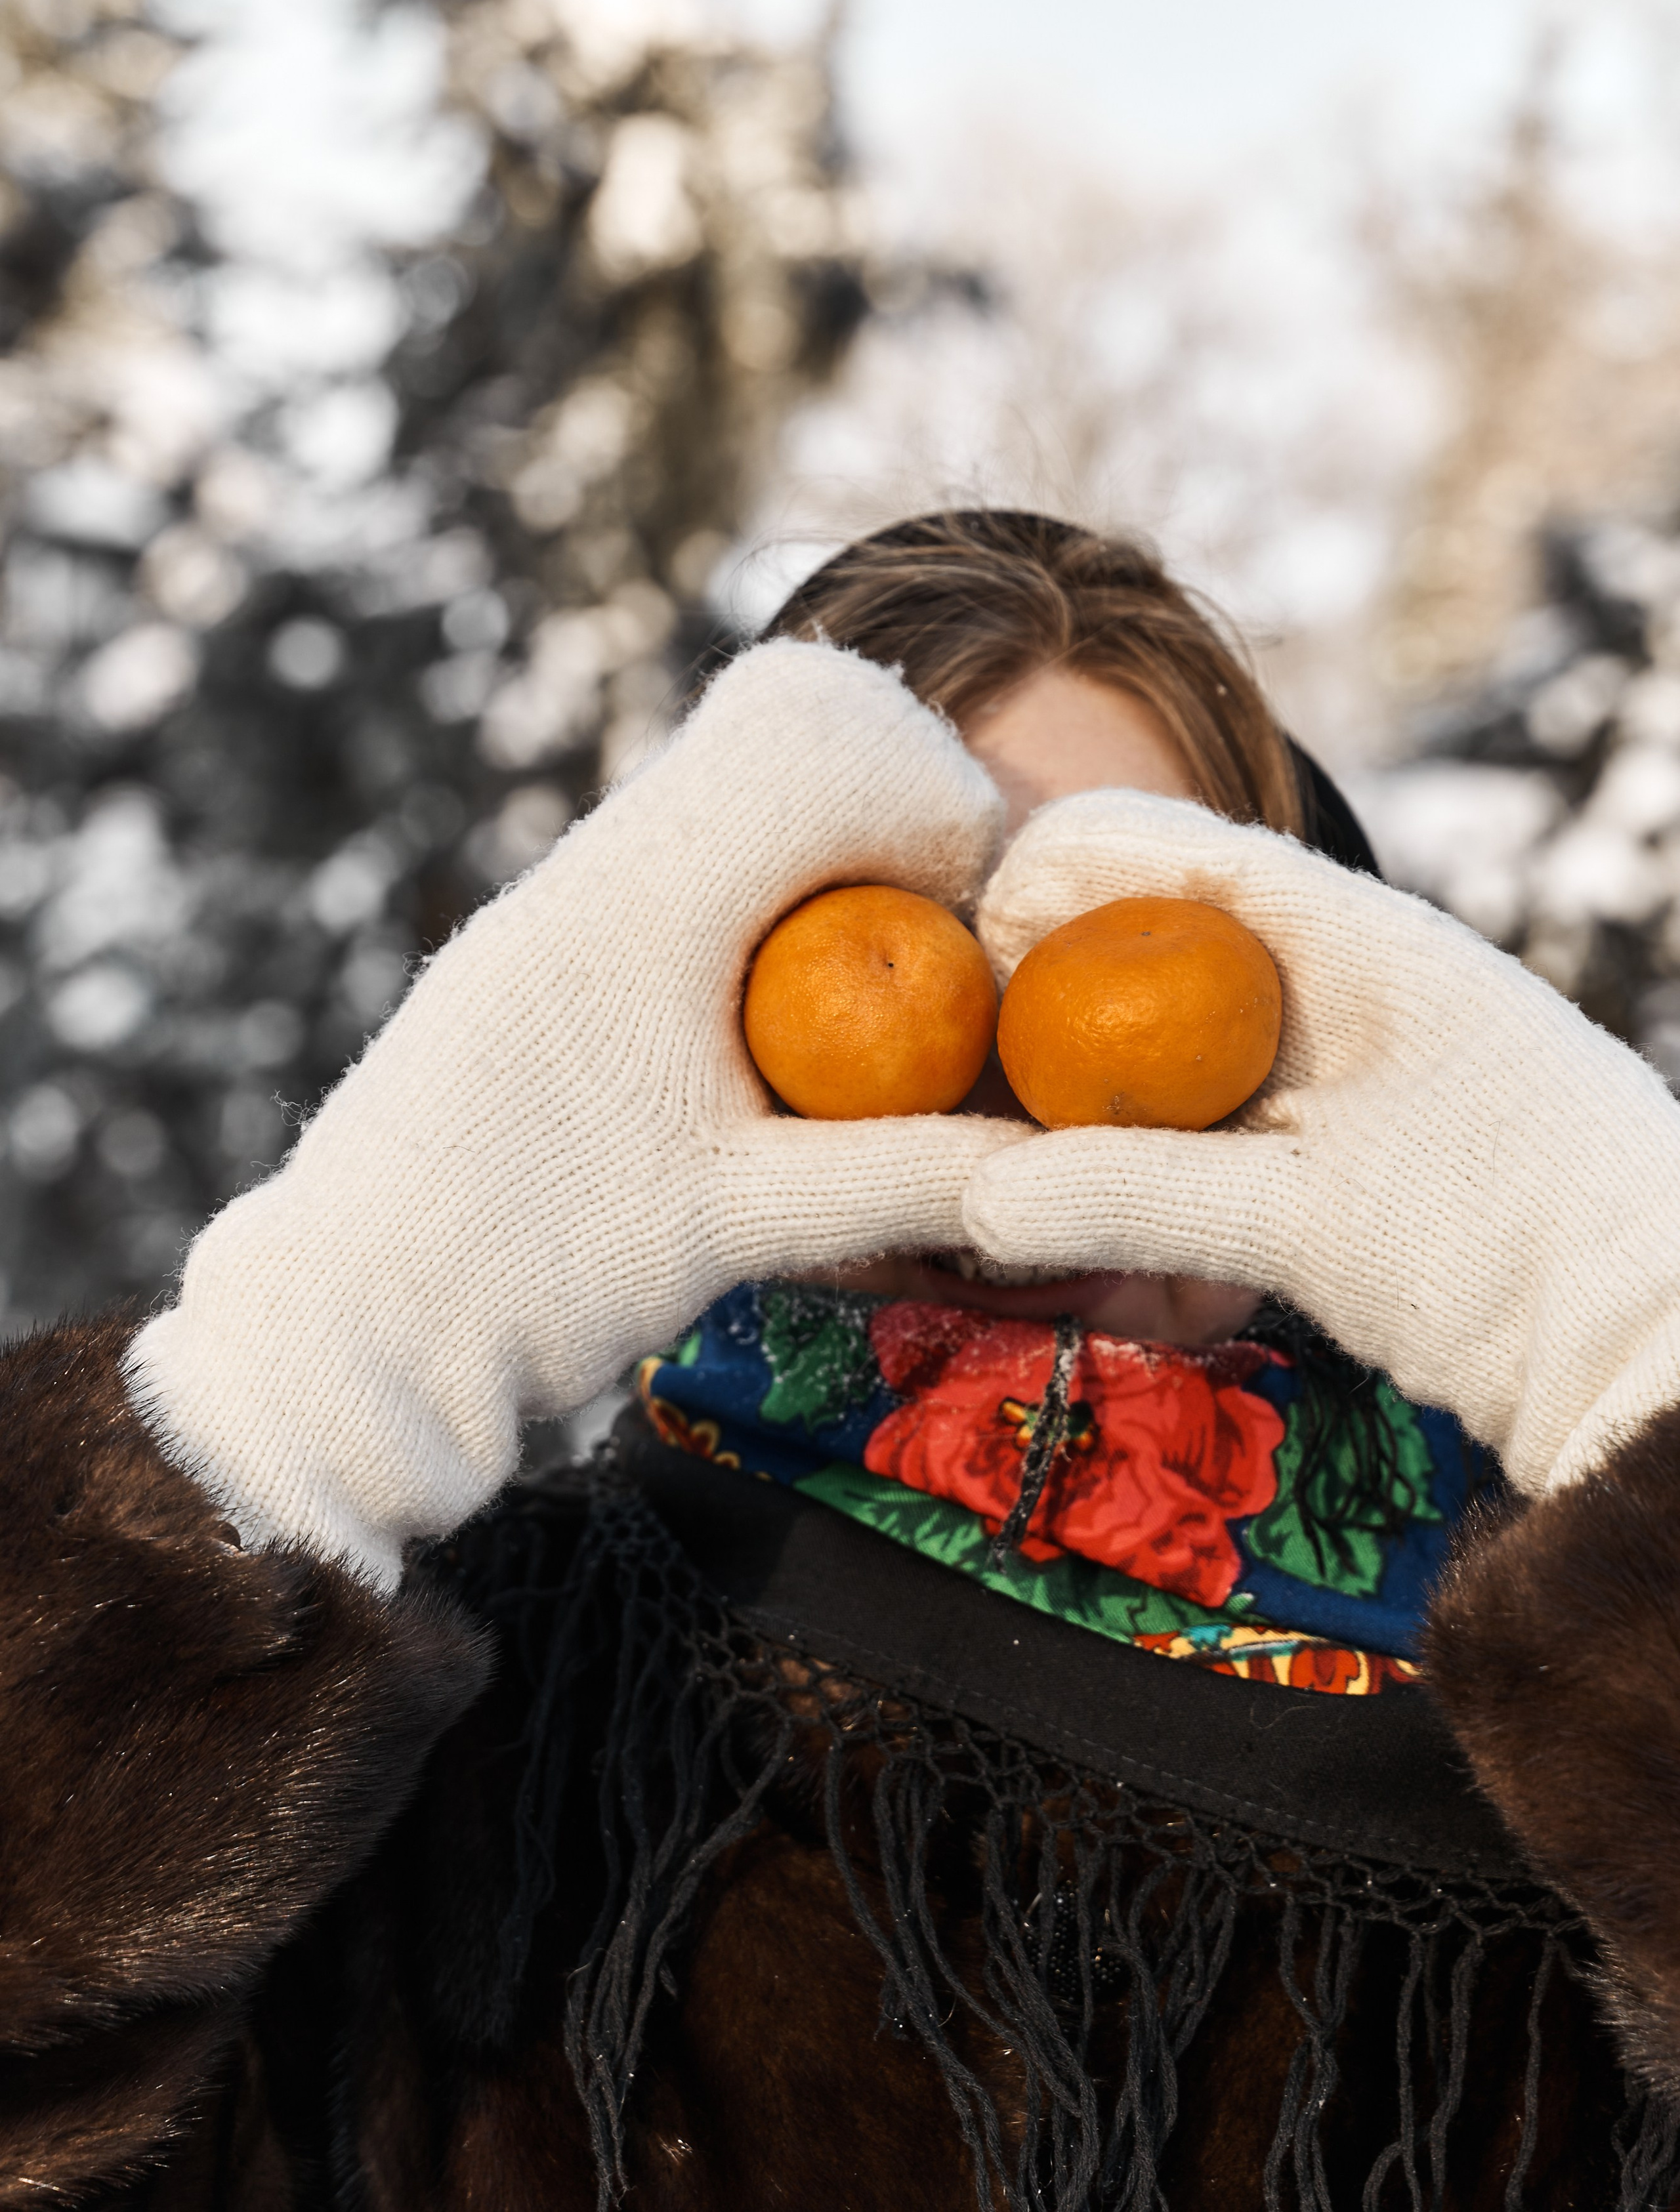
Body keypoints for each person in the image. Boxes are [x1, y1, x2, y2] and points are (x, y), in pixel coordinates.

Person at [7, 509, 1680, 2208]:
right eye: (923, 939)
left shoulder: (1584, 1757)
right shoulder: (437, 1737)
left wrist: (1647, 1325)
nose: (1011, 1085)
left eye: (1114, 929)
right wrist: (291, 1389)